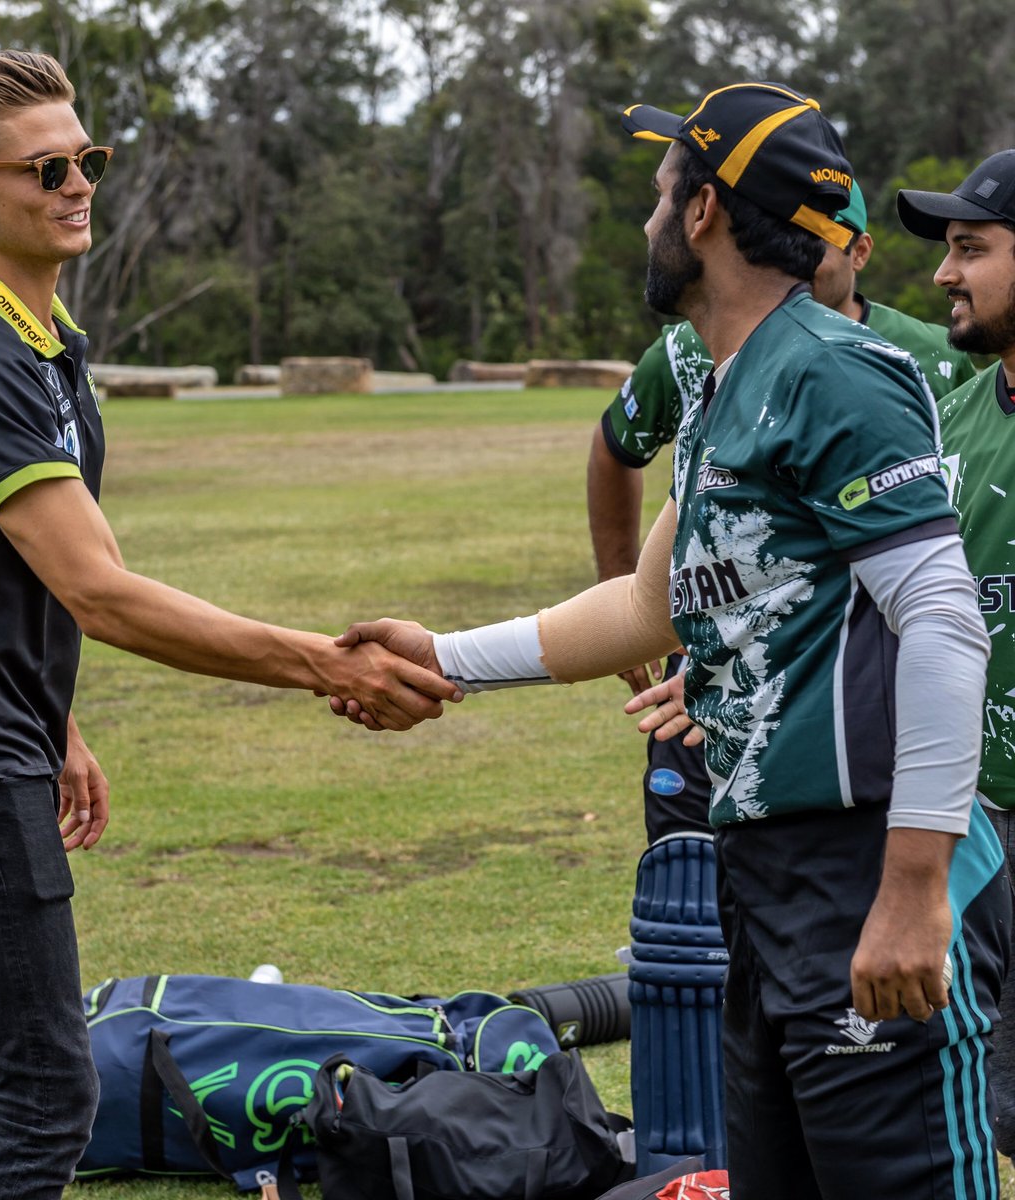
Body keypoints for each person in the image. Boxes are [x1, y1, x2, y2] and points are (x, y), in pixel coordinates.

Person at [334, 82, 1010, 1198]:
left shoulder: (836, 372)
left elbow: (940, 620)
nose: (650, 219)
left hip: (862, 875)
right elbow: (646, 607)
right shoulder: (725, 386)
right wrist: (441, 655)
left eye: (661, 192)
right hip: (769, 886)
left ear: (704, 212)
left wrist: (912, 887)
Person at [0, 51, 460, 1200]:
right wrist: (322, 660)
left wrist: (55, 721)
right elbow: (101, 592)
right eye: (46, 167)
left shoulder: (40, 339)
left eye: (88, 159)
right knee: (42, 1087)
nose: (78, 184)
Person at [587, 181, 976, 842]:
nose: (803, 257)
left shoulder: (923, 358)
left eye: (821, 244)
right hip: (714, 653)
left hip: (843, 688)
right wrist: (617, 584)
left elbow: (935, 569)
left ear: (860, 252)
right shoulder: (690, 347)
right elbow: (616, 450)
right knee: (685, 883)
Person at [896, 149, 1015, 1159]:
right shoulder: (953, 420)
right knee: (988, 1103)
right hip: (972, 829)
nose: (945, 274)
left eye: (971, 249)